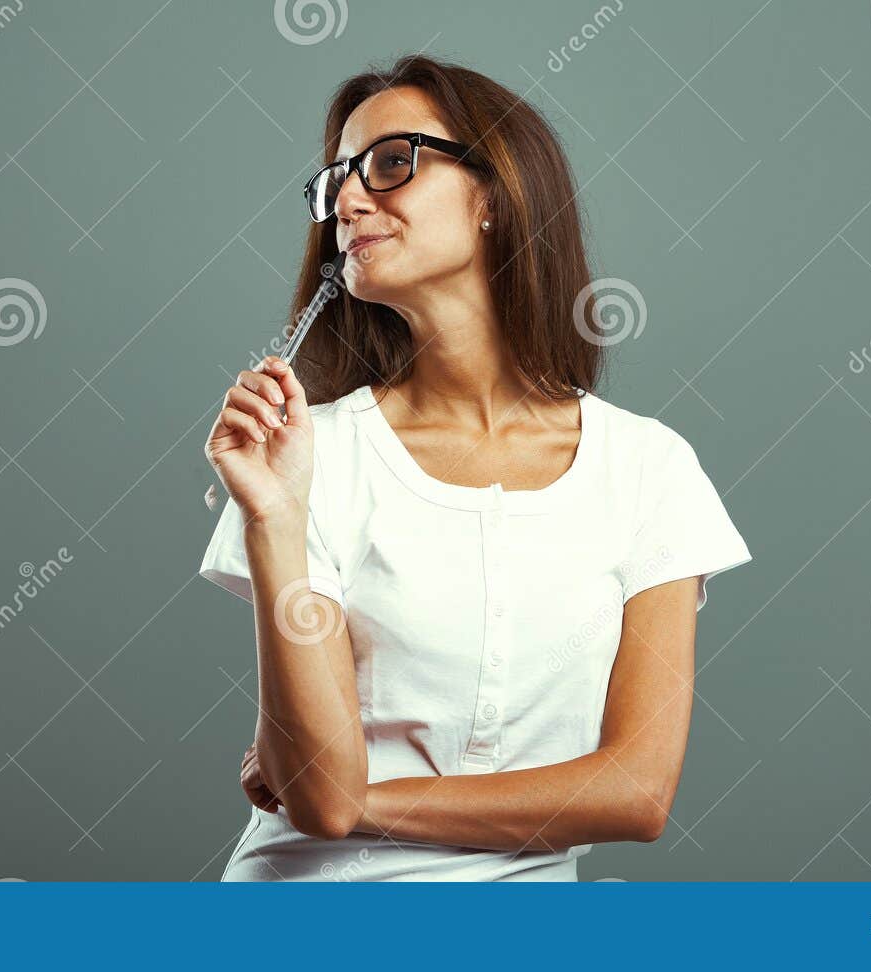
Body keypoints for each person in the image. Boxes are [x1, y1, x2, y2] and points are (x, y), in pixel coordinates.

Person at [199, 54, 751, 881]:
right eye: (338, 180)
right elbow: (314, 804)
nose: (348, 201)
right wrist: (274, 519)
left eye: (390, 164)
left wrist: (362, 797)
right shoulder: (307, 458)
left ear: (494, 194)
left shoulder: (648, 470)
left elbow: (636, 792)